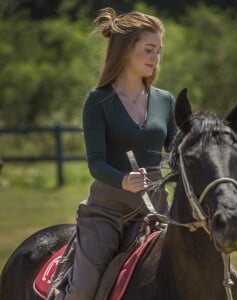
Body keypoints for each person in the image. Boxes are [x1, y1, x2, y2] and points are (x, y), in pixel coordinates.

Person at [48, 7, 177, 300]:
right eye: (148, 49)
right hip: (107, 212)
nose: (155, 58)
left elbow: (176, 149)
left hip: (157, 210)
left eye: (158, 51)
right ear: (125, 50)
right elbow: (95, 163)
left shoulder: (165, 101)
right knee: (81, 291)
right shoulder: (98, 101)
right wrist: (124, 181)